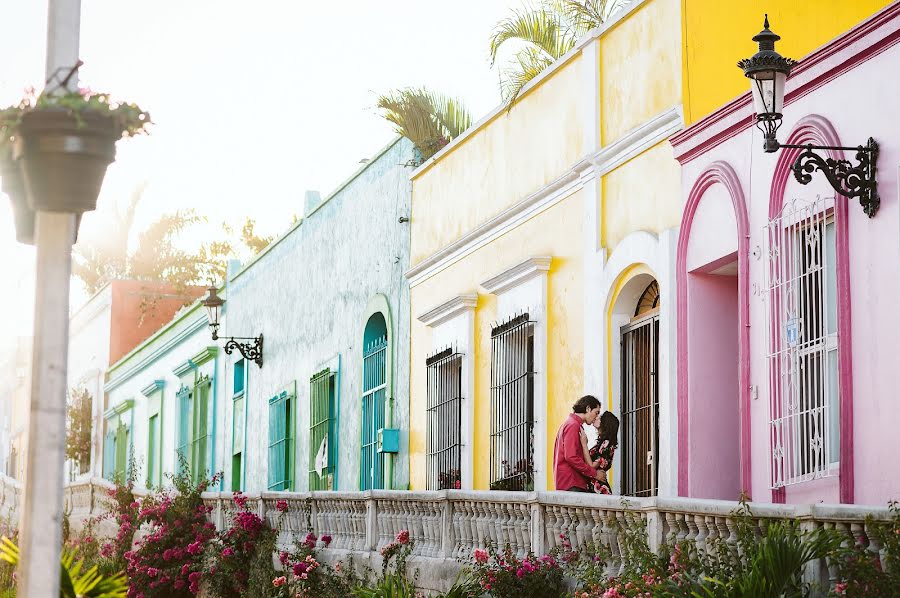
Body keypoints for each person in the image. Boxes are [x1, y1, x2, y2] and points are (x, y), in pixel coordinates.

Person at [553, 395, 607, 492]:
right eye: (596, 412)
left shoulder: (571, 423)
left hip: (570, 482)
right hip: (572, 482)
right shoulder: (573, 425)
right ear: (588, 408)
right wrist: (595, 474)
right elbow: (571, 457)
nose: (596, 417)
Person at [581, 410, 619, 494]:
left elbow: (592, 466)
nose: (596, 417)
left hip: (599, 490)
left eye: (600, 417)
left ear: (605, 424)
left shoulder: (606, 444)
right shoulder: (602, 443)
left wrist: (584, 444)